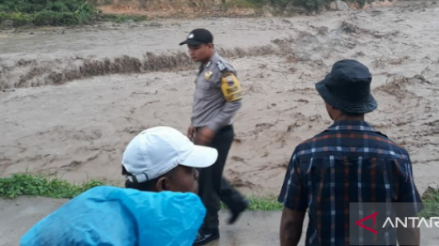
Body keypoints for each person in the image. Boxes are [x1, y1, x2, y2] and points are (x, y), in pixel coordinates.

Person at [278, 60, 423, 246]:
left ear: (330, 103)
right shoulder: (397, 157)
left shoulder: (306, 155)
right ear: (365, 103)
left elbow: (291, 223)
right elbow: (408, 226)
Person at [21, 127, 218, 246]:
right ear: (164, 185)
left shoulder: (99, 196)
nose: (196, 175)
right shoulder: (110, 240)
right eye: (190, 170)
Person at [180, 28, 249, 245]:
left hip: (217, 135)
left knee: (207, 183)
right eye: (189, 48)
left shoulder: (223, 70)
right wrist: (195, 123)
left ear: (210, 46)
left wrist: (210, 128)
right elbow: (207, 101)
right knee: (208, 175)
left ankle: (210, 230)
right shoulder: (205, 67)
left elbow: (235, 102)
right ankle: (236, 202)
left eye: (196, 47)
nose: (191, 52)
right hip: (204, 131)